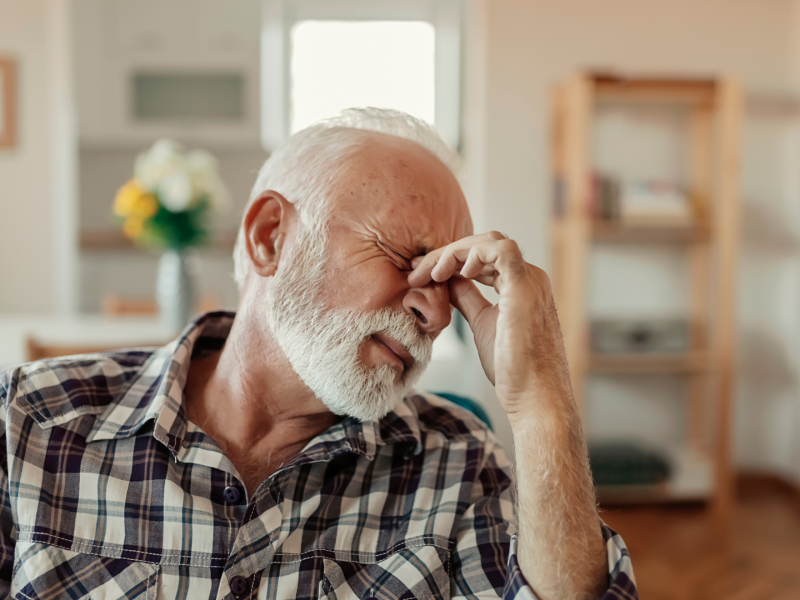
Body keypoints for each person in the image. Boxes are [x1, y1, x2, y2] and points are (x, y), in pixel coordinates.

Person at [0, 109, 636, 600]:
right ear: (270, 237)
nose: (438, 313)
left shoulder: (458, 467)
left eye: (447, 284)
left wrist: (540, 401)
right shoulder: (29, 421)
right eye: (406, 259)